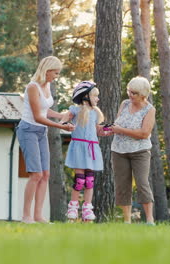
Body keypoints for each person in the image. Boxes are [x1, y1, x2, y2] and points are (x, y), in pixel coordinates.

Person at [16, 56, 75, 224]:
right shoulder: (32, 87)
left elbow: (45, 111)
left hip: (41, 131)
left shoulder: (47, 85)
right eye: (55, 73)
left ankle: (38, 216)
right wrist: (61, 127)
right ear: (47, 70)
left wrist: (62, 116)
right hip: (28, 130)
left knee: (46, 174)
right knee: (36, 174)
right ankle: (26, 216)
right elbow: (37, 116)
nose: (56, 76)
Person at [110, 76, 156, 225]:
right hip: (119, 150)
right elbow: (117, 124)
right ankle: (127, 220)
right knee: (122, 184)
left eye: (134, 93)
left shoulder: (149, 109)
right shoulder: (124, 104)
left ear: (143, 94)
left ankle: (149, 219)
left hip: (140, 151)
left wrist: (121, 130)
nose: (130, 95)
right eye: (129, 91)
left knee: (142, 183)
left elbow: (144, 133)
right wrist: (108, 130)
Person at [65, 81, 111, 222]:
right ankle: (73, 208)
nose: (97, 99)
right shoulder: (74, 110)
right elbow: (64, 120)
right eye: (95, 96)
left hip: (91, 148)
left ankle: (87, 208)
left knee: (90, 180)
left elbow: (98, 130)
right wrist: (65, 124)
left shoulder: (95, 113)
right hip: (79, 147)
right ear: (85, 96)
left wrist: (107, 131)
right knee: (79, 180)